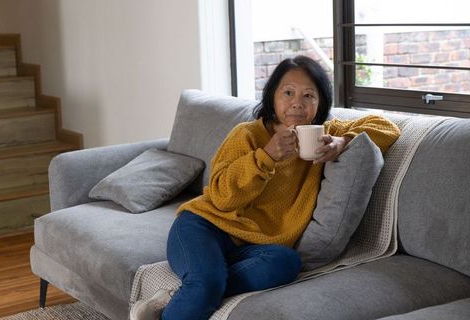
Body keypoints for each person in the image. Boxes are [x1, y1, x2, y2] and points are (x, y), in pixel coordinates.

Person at [130, 55, 401, 320]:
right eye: (288, 93)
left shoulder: (325, 132)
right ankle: (197, 289)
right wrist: (266, 157)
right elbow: (222, 198)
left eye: (309, 96)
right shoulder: (246, 135)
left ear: (320, 103)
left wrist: (343, 142)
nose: (297, 104)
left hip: (257, 245)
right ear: (273, 97)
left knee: (287, 263)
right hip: (205, 227)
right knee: (206, 282)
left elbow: (387, 127)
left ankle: (177, 297)